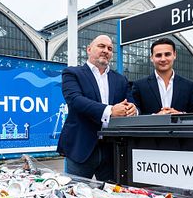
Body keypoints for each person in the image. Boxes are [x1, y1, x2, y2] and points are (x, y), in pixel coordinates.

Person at [57, 34, 137, 181]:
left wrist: (133, 109)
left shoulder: (120, 79)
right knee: (74, 195)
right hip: (80, 148)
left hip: (112, 150)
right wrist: (110, 111)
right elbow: (75, 100)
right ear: (89, 49)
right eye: (101, 46)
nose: (106, 50)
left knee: (112, 196)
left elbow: (131, 102)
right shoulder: (72, 73)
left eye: (110, 48)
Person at [132, 37, 193, 114]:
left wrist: (180, 115)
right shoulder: (139, 86)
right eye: (158, 55)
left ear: (174, 55)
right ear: (152, 58)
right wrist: (154, 117)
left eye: (167, 54)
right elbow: (136, 114)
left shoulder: (188, 86)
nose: (163, 59)